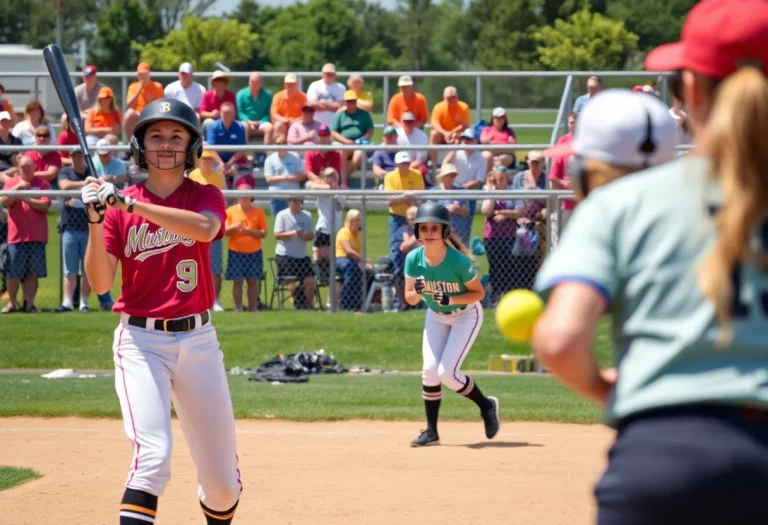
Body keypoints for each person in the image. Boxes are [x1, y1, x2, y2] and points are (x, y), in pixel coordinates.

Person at [532, 1, 768, 520]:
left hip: (662, 460)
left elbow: (559, 339)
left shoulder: (626, 200)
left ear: (691, 91)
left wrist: (609, 387)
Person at [79, 98, 242, 525]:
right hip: (141, 340)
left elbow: (205, 230)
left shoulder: (205, 194)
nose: (166, 144)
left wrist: (130, 206)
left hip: (199, 341)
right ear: (141, 145)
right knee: (153, 456)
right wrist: (97, 220)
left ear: (191, 145)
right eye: (156, 135)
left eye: (176, 135)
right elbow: (99, 283)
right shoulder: (118, 207)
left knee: (223, 486)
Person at [403, 201, 500, 447]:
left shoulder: (457, 262)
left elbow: (477, 293)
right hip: (436, 314)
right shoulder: (414, 259)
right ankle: (432, 432)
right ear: (418, 232)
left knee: (447, 373)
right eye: (424, 228)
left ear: (445, 232)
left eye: (435, 229)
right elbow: (409, 297)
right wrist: (418, 289)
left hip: (466, 314)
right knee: (430, 370)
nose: (429, 233)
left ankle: (487, 405)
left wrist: (451, 298)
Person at [225, 179, 267, 312]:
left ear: (251, 196)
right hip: (235, 251)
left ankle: (252, 308)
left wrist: (248, 231)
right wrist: (235, 227)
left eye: (246, 194)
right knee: (237, 281)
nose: (243, 197)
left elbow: (264, 233)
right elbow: (224, 231)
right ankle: (237, 308)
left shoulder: (259, 212)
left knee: (253, 281)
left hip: (254, 251)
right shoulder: (230, 211)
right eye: (240, 194)